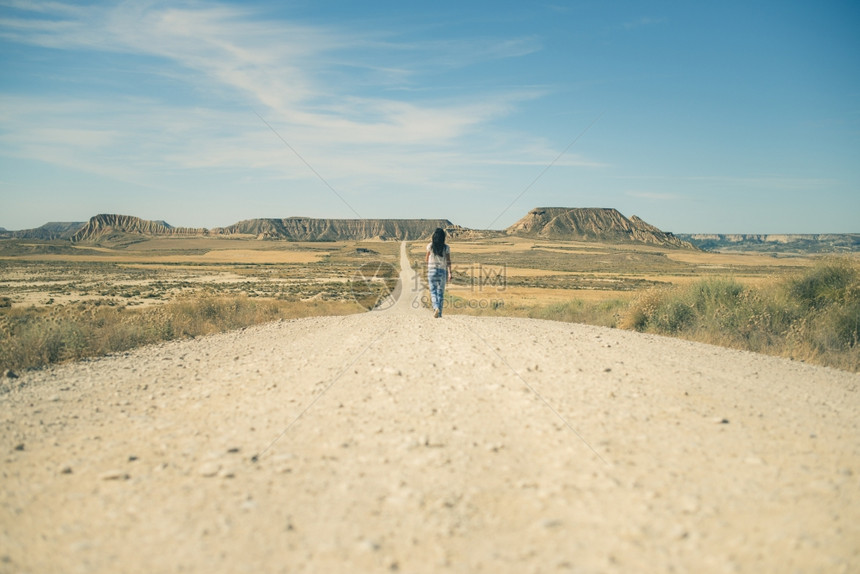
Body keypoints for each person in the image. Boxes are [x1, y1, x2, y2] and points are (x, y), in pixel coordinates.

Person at [425, 227, 452, 318]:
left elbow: (426, 259)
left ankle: (435, 307)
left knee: (433, 291)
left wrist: (428, 268)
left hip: (431, 270)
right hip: (442, 271)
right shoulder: (446, 247)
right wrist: (450, 273)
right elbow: (448, 261)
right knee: (440, 292)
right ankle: (439, 313)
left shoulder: (430, 246)